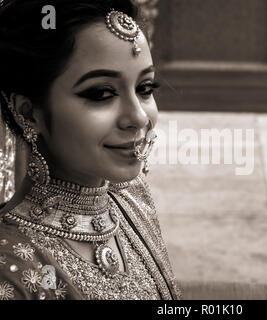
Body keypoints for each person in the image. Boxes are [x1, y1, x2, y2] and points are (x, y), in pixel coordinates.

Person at [0, 0, 181, 300]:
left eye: (145, 88)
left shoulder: (133, 199)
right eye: (101, 94)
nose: (138, 117)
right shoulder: (11, 269)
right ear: (29, 113)